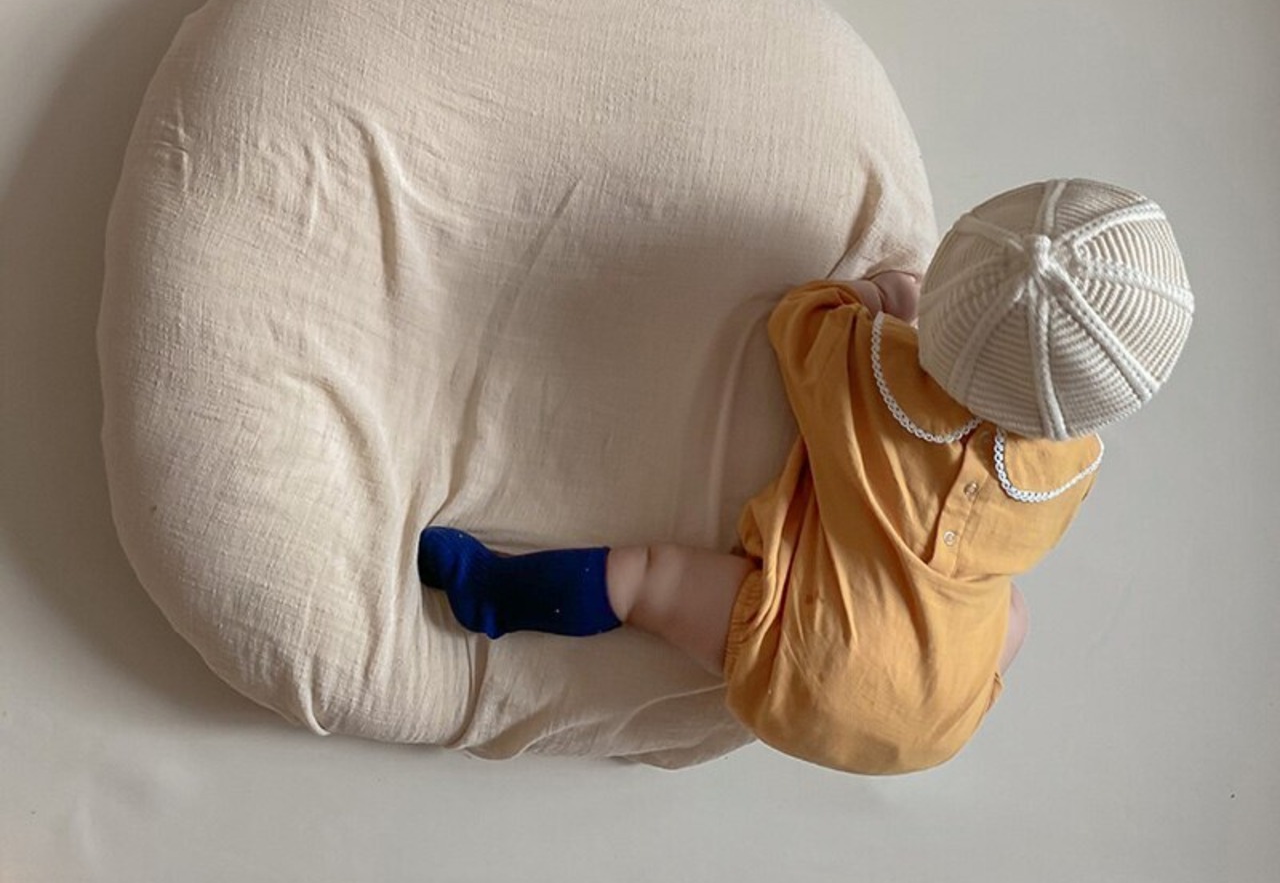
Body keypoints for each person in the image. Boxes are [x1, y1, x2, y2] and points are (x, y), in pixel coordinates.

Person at [418, 178, 1194, 773]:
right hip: (943, 716)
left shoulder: (873, 367)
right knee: (1011, 610)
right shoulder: (1069, 472)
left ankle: (496, 593)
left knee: (649, 579)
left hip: (810, 654)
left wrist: (887, 297)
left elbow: (799, 318)